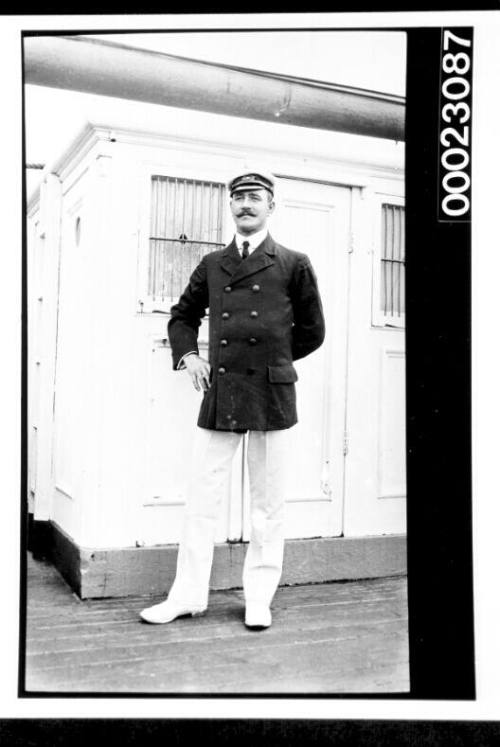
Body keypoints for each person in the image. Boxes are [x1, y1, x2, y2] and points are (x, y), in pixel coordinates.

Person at [140, 168, 325, 629]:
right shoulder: (213, 265)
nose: (246, 204)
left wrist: (274, 360)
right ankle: (186, 597)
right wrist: (189, 356)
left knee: (268, 503)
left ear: (271, 206)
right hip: (221, 390)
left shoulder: (293, 263)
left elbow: (313, 331)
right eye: (238, 197)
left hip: (271, 393)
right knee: (202, 499)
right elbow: (182, 316)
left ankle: (259, 598)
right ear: (230, 206)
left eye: (255, 197)